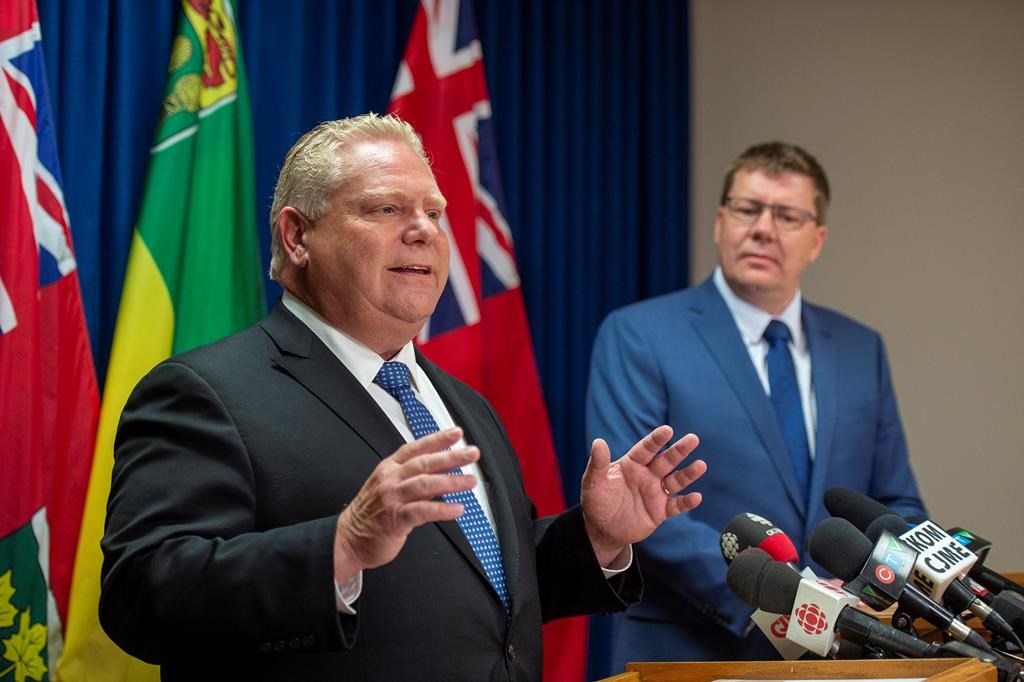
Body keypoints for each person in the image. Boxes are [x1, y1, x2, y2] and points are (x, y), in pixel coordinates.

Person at [98, 113, 708, 681]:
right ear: (297, 235)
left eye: (435, 213)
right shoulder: (207, 392)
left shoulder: (465, 404)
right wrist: (339, 547)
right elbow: (141, 596)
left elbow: (477, 590)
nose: (422, 230)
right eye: (386, 208)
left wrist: (596, 538)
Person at [586, 141, 927, 665]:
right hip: (692, 652)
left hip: (849, 655)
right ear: (721, 222)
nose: (763, 228)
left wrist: (870, 597)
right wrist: (797, 600)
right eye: (747, 209)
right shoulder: (638, 335)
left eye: (788, 215)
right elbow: (636, 507)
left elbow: (896, 506)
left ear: (817, 240)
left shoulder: (862, 349)